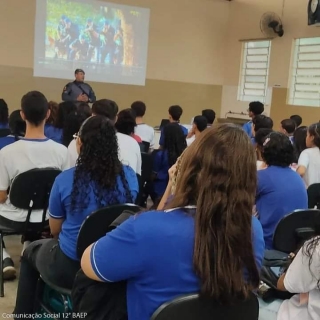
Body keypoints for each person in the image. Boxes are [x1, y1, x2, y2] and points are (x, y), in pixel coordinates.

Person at [81, 123, 265, 320]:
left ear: (190, 168)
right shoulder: (252, 229)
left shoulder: (146, 229)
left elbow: (89, 265)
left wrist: (175, 185)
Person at [13, 116, 139, 316]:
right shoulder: (129, 178)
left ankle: (22, 314)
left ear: (80, 144)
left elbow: (55, 230)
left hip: (71, 266)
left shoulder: (65, 180)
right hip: (112, 263)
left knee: (29, 254)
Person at [0, 91, 69, 280]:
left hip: (12, 217)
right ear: (48, 114)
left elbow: (2, 196)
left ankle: (4, 258)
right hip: (47, 216)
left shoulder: (7, 153)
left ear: (22, 114)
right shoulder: (62, 152)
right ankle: (29, 247)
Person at [256, 132, 308, 249]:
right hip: (294, 244)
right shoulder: (297, 177)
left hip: (267, 243)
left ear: (264, 152)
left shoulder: (261, 177)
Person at [68, 99, 142, 174]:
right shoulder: (132, 143)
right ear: (116, 118)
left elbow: (68, 175)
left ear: (92, 116)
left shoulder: (76, 142)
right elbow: (137, 176)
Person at [259, 230, 320, 320]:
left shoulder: (315, 247)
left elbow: (282, 285)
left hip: (303, 314)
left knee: (249, 303)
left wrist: (294, 262)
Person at [151, 123, 187, 204]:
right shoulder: (186, 155)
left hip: (159, 191)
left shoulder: (160, 155)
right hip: (180, 192)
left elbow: (153, 175)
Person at [297, 123, 320, 187]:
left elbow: (301, 172)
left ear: (312, 137)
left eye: (307, 135)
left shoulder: (307, 152)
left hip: (310, 192)